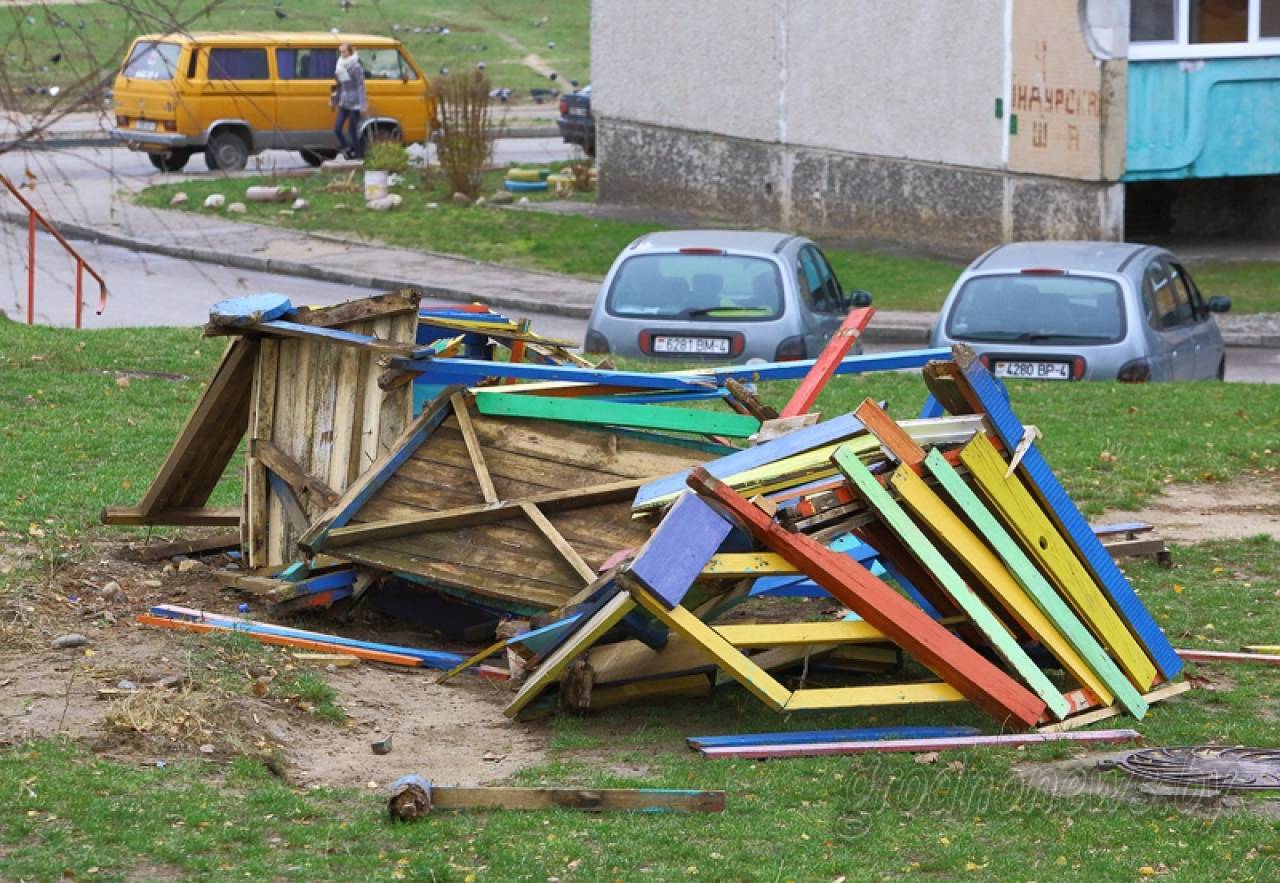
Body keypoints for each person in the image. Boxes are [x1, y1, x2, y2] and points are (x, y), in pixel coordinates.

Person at [332, 42, 367, 159]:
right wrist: (334, 100)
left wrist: (362, 105)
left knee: (352, 130)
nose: (342, 54)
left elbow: (361, 86)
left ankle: (359, 154)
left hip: (355, 102)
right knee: (337, 129)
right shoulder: (339, 65)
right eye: (340, 51)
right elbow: (338, 85)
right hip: (344, 101)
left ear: (350, 51)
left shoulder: (356, 66)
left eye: (344, 51)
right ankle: (347, 147)